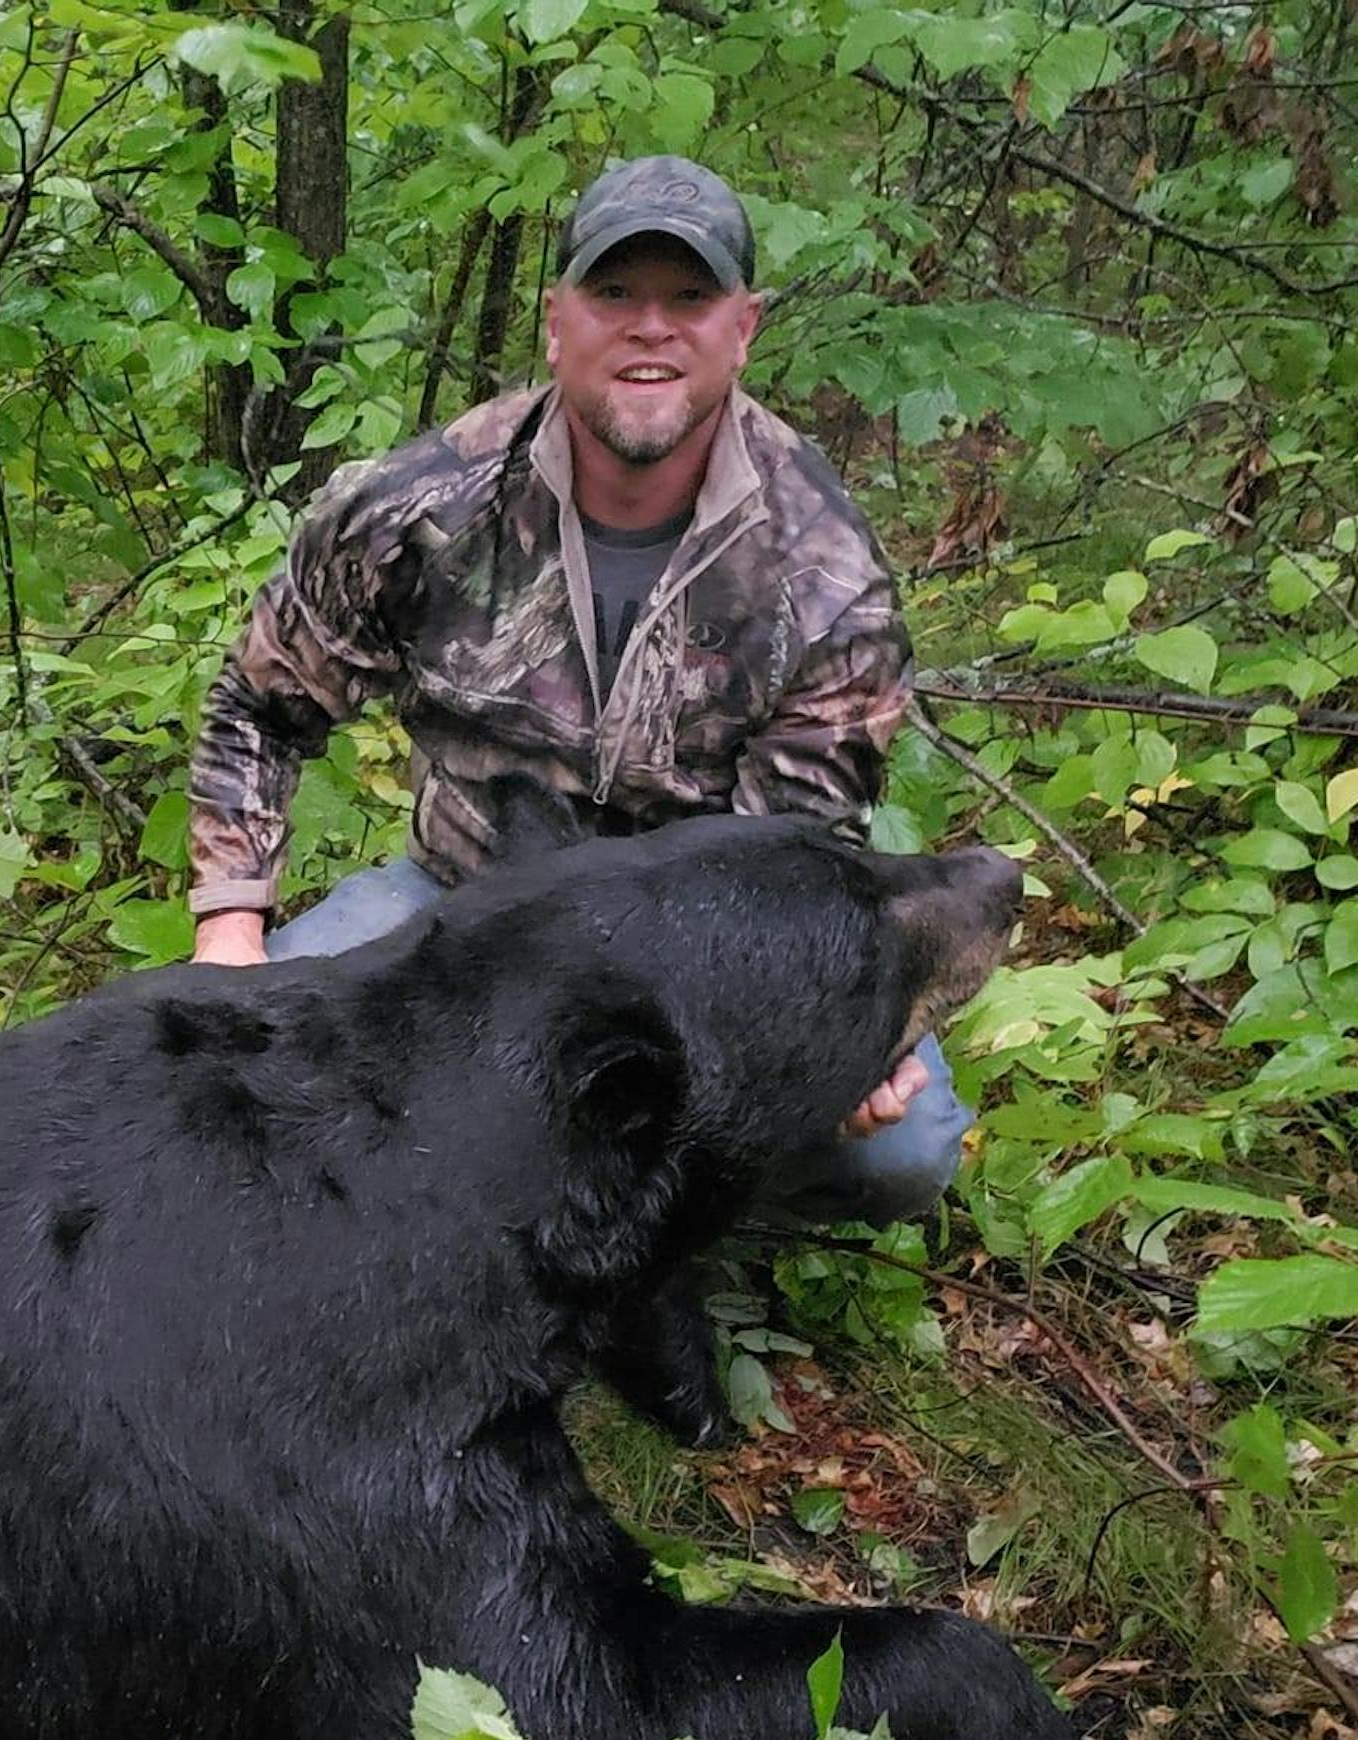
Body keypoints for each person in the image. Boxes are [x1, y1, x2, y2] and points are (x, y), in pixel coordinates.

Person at [184, 154, 969, 1224]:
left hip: (692, 969)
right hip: (457, 905)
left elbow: (794, 861)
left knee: (905, 1152)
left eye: (689, 298)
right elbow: (259, 709)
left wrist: (833, 1034)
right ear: (557, 322)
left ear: (744, 327)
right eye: (615, 294)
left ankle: (610, 1205)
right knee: (236, 1074)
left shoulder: (823, 573)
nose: (651, 327)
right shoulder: (425, 505)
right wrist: (231, 929)